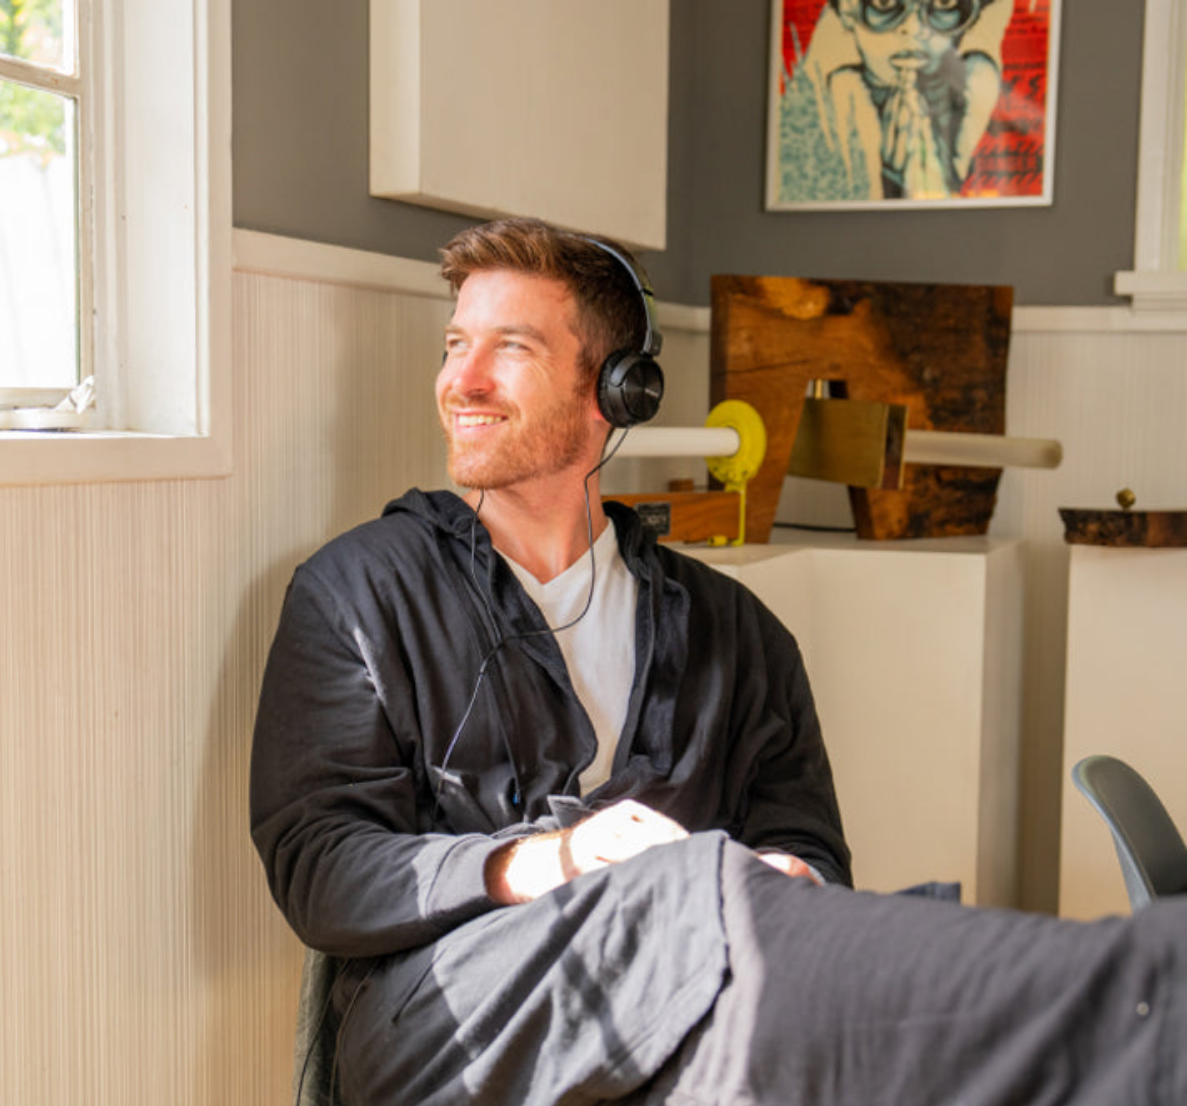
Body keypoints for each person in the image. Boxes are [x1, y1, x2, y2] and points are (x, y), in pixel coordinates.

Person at [250, 217, 1186, 1106]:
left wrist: (790, 876)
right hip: (444, 1019)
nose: (466, 379)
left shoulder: (735, 632)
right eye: (457, 344)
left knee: (804, 1032)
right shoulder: (357, 592)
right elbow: (321, 866)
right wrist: (555, 862)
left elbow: (810, 842)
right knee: (671, 896)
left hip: (697, 991)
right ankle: (1149, 1000)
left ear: (616, 389)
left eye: (513, 348)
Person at [772, 0, 1012, 202]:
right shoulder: (827, 105)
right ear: (847, 9)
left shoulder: (976, 88)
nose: (913, 27)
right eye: (885, 4)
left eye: (942, 3)